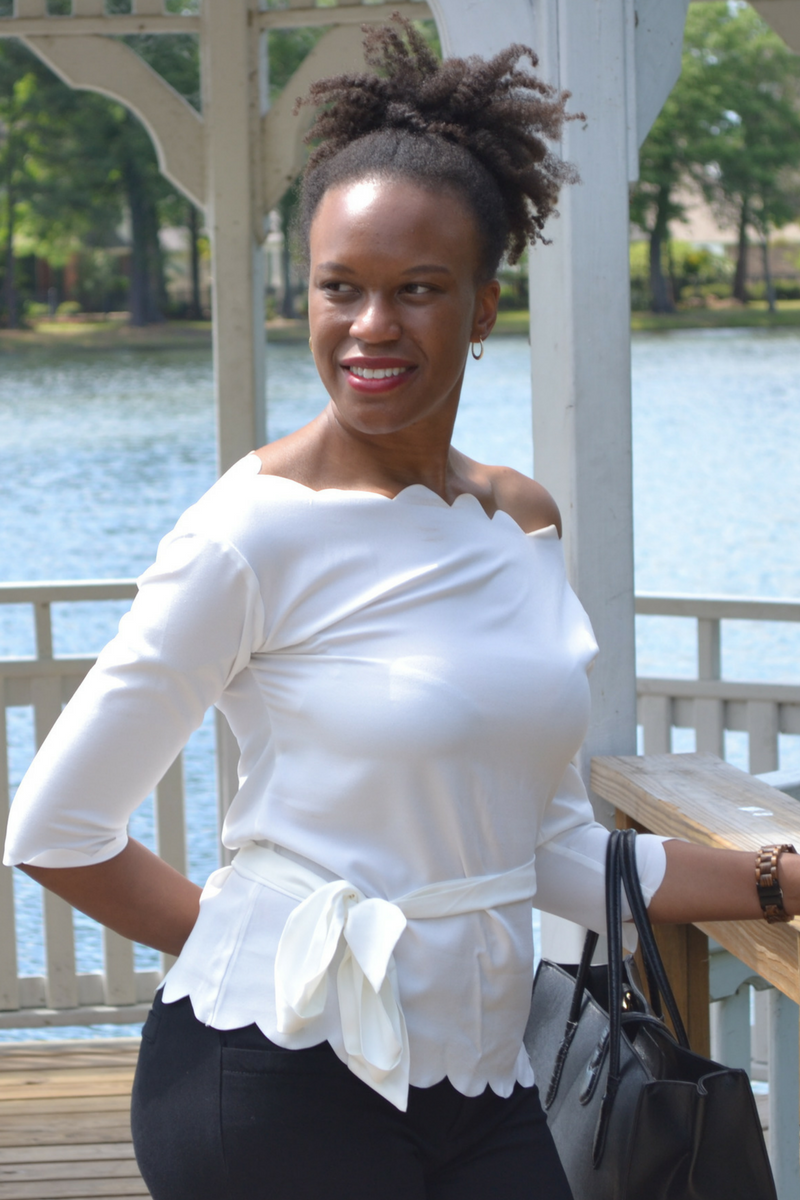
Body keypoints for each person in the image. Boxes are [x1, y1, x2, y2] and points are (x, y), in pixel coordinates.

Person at [4, 19, 799, 1200]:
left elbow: (542, 852)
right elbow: (55, 830)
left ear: (480, 309)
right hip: (268, 1075)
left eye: (416, 291)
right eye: (340, 288)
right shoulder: (251, 529)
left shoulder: (519, 523)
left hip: (482, 1079)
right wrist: (267, 947)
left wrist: (772, 882)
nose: (370, 328)